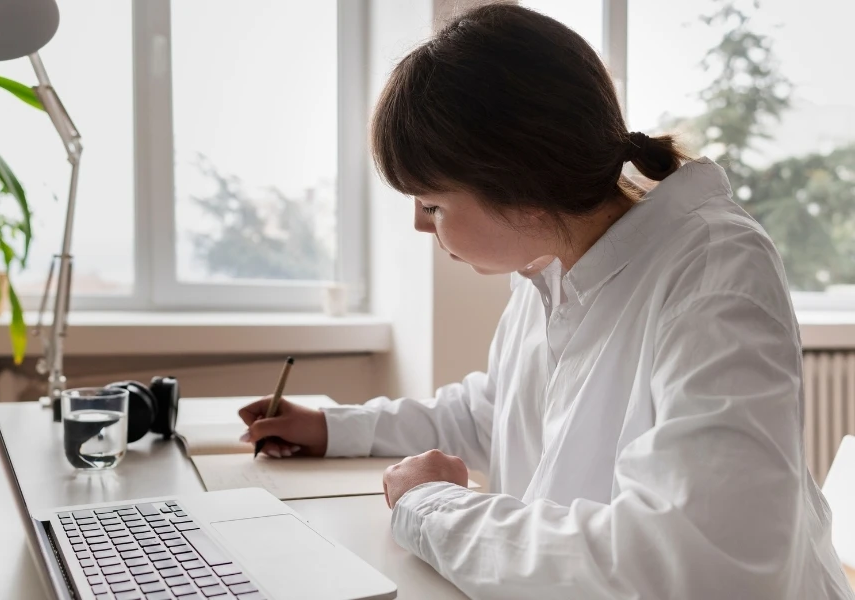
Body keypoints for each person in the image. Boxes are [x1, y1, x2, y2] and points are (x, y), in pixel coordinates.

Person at [238, 4, 853, 599]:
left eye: (432, 204)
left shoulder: (713, 269)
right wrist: (332, 427)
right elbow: (495, 412)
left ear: (520, 187)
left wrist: (429, 506)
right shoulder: (553, 269)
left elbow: (693, 565)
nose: (422, 229)